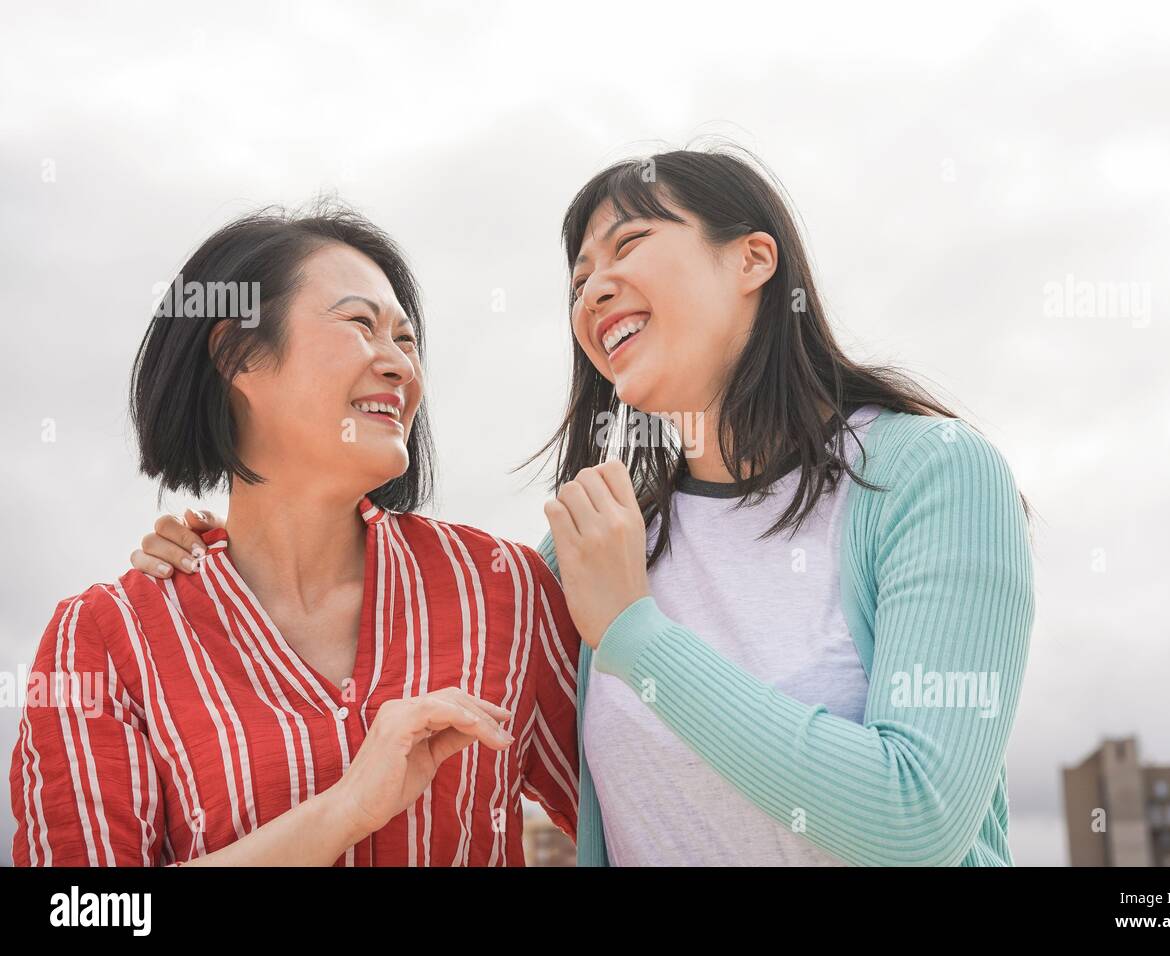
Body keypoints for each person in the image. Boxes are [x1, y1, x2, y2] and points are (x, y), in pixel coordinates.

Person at [134, 147, 1035, 866]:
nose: (593, 287)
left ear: (754, 257)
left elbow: (917, 820)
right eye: (578, 277)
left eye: (629, 245)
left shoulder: (927, 477)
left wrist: (638, 635)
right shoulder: (594, 549)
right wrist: (244, 557)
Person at [10, 205, 580, 866]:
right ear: (239, 355)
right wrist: (342, 812)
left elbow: (643, 817)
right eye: (361, 324)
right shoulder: (107, 639)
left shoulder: (502, 589)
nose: (400, 366)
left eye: (406, 338)